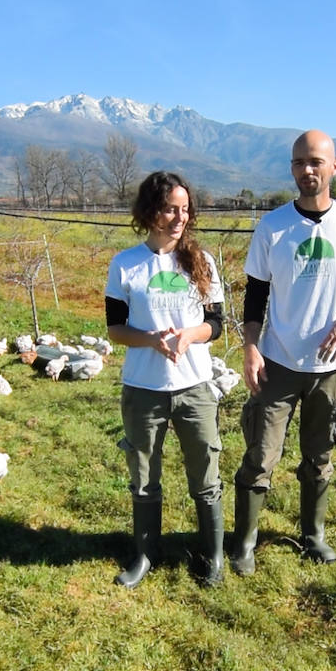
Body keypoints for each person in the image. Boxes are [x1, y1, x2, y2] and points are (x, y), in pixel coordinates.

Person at [232, 130, 336, 575]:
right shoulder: (273, 227)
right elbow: (255, 298)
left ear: (334, 167)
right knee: (260, 456)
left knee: (320, 456)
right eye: (299, 162)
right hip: (278, 361)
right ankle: (244, 543)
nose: (307, 170)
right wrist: (251, 350)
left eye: (316, 161)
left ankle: (313, 536)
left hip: (332, 367)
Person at [105, 171, 226, 588]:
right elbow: (114, 329)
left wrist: (190, 334)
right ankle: (145, 555)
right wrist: (151, 340)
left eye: (185, 209)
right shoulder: (125, 264)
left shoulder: (202, 262)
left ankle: (213, 556)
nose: (180, 217)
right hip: (144, 389)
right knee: (143, 477)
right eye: (171, 209)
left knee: (206, 477)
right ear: (150, 211)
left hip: (195, 388)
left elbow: (216, 324)